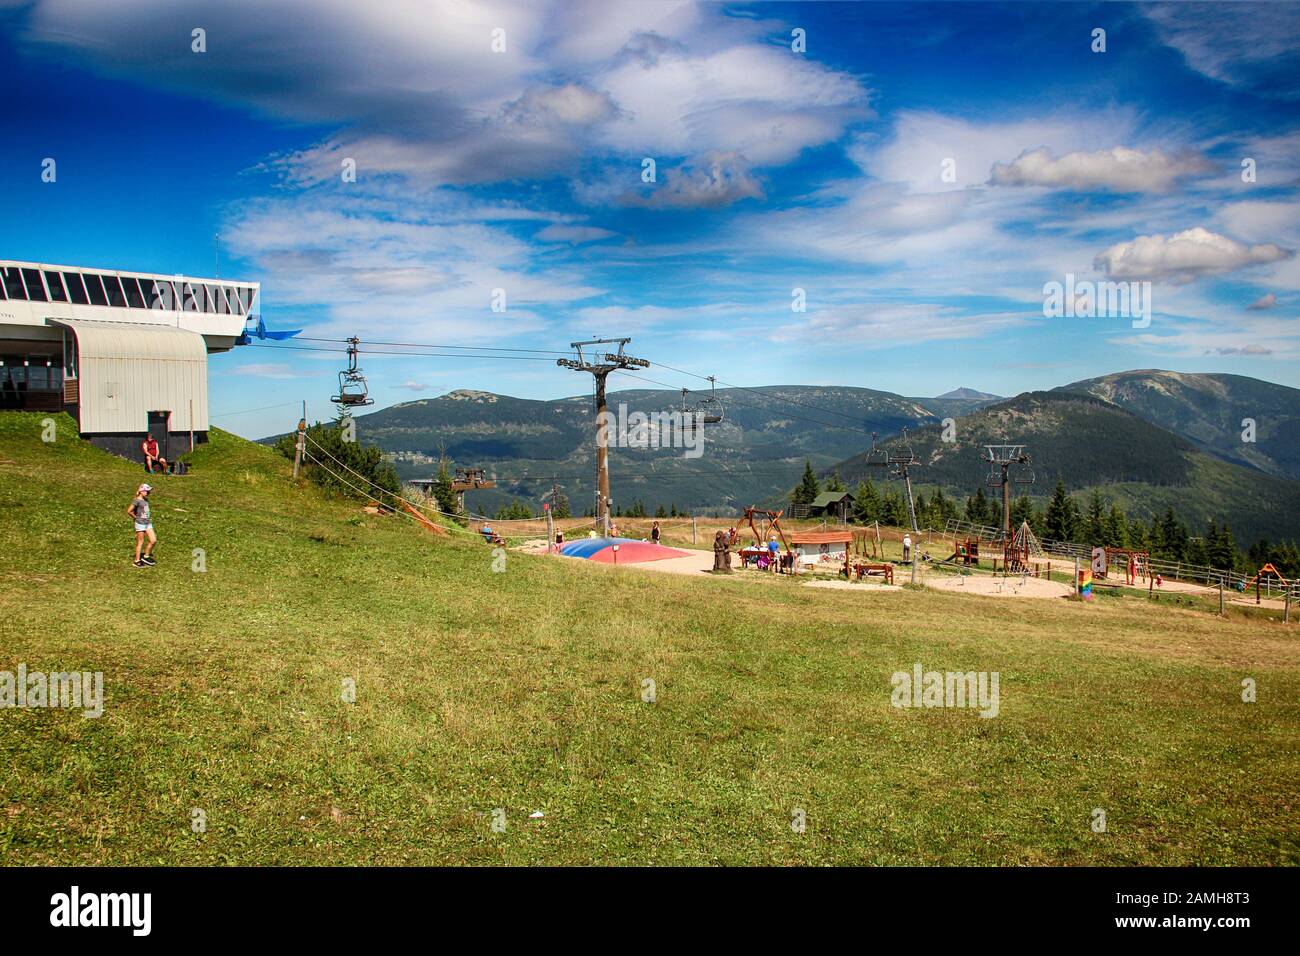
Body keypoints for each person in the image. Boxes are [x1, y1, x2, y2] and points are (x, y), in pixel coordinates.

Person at [127, 483, 156, 568]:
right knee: (140, 542)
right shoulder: (137, 500)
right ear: (141, 491)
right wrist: (136, 518)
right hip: (140, 524)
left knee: (153, 540)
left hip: (148, 523)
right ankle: (137, 561)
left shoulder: (145, 500)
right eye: (147, 491)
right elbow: (129, 511)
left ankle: (146, 556)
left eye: (149, 491)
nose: (148, 493)